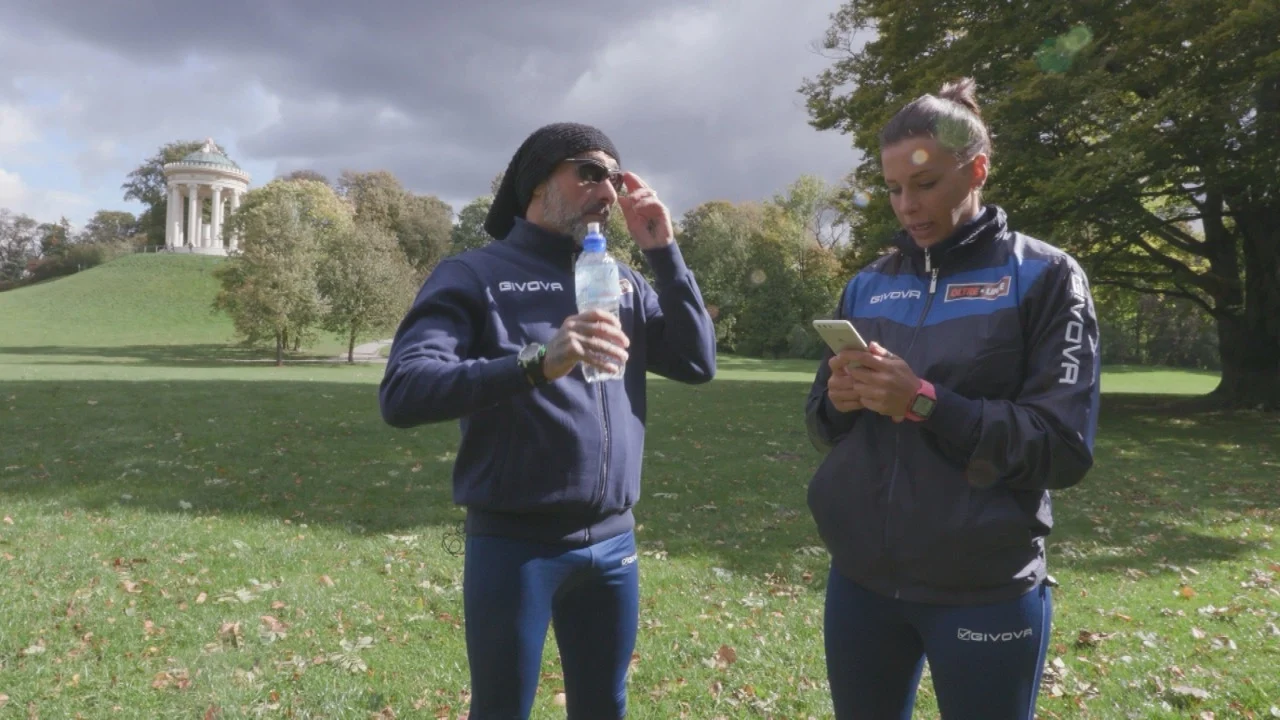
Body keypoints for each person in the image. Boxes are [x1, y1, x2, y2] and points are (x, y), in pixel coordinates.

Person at [379, 122, 716, 719]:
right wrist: (536, 364)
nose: (608, 191)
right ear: (537, 182)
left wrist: (665, 254)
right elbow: (404, 391)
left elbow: (696, 362)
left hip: (614, 543)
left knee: (604, 705)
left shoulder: (623, 280)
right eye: (590, 173)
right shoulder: (475, 276)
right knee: (502, 709)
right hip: (516, 546)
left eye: (615, 179)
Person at [804, 78, 1100, 720]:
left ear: (977, 171)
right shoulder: (867, 284)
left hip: (982, 589)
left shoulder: (1046, 275)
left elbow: (1062, 448)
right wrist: (839, 399)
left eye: (926, 183)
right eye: (893, 189)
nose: (907, 206)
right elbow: (822, 424)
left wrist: (924, 402)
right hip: (861, 581)